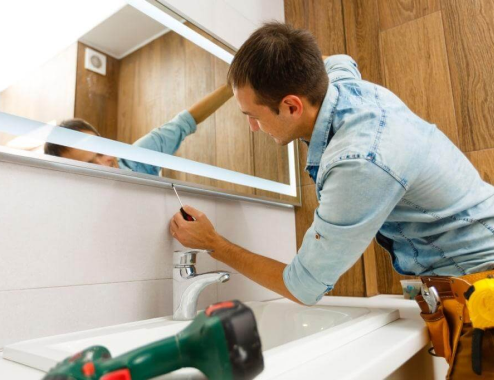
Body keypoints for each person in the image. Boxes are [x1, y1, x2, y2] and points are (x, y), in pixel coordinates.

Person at [169, 22, 494, 379]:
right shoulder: (335, 82)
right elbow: (338, 59)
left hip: (485, 296)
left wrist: (213, 244)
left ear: (292, 106)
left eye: (253, 116)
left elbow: (303, 286)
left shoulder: (358, 161)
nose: (252, 128)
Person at [44, 84, 233, 175]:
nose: (106, 162)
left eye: (101, 151)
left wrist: (232, 86)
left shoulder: (137, 159)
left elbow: (183, 123)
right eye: (90, 164)